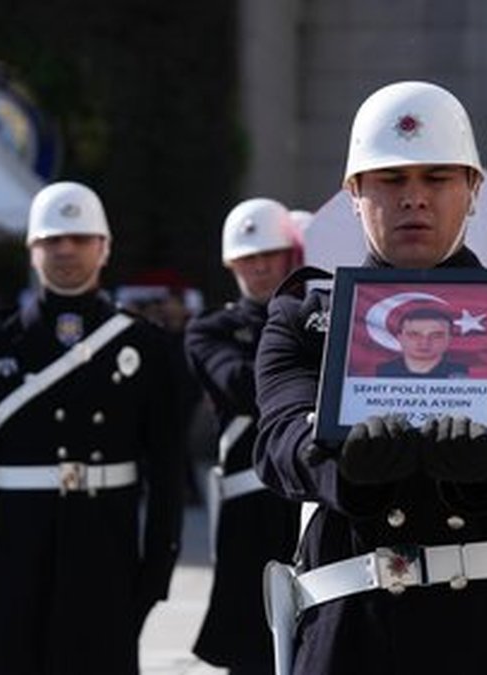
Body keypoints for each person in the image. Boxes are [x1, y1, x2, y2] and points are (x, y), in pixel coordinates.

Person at [254, 80, 487, 675]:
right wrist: (344, 465)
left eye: (437, 179)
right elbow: (279, 435)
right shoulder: (304, 318)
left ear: (473, 191)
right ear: (354, 193)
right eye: (391, 180)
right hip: (352, 635)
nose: (414, 198)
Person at [0, 181, 185, 675]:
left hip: (106, 556)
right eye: (52, 239)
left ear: (105, 247)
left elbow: (166, 471)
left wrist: (154, 572)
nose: (66, 249)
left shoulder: (144, 344)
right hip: (13, 561)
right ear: (32, 250)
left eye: (80, 237)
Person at [188, 197, 303, 674]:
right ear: (231, 263)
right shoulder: (210, 331)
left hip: (308, 500)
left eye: (268, 255)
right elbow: (244, 387)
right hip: (250, 510)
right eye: (247, 258)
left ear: (289, 256)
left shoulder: (318, 320)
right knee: (251, 647)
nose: (258, 267)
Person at [375, 306, 469, 378]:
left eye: (436, 336)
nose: (424, 343)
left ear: (449, 339)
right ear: (400, 338)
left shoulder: (464, 373)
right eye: (414, 335)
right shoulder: (381, 372)